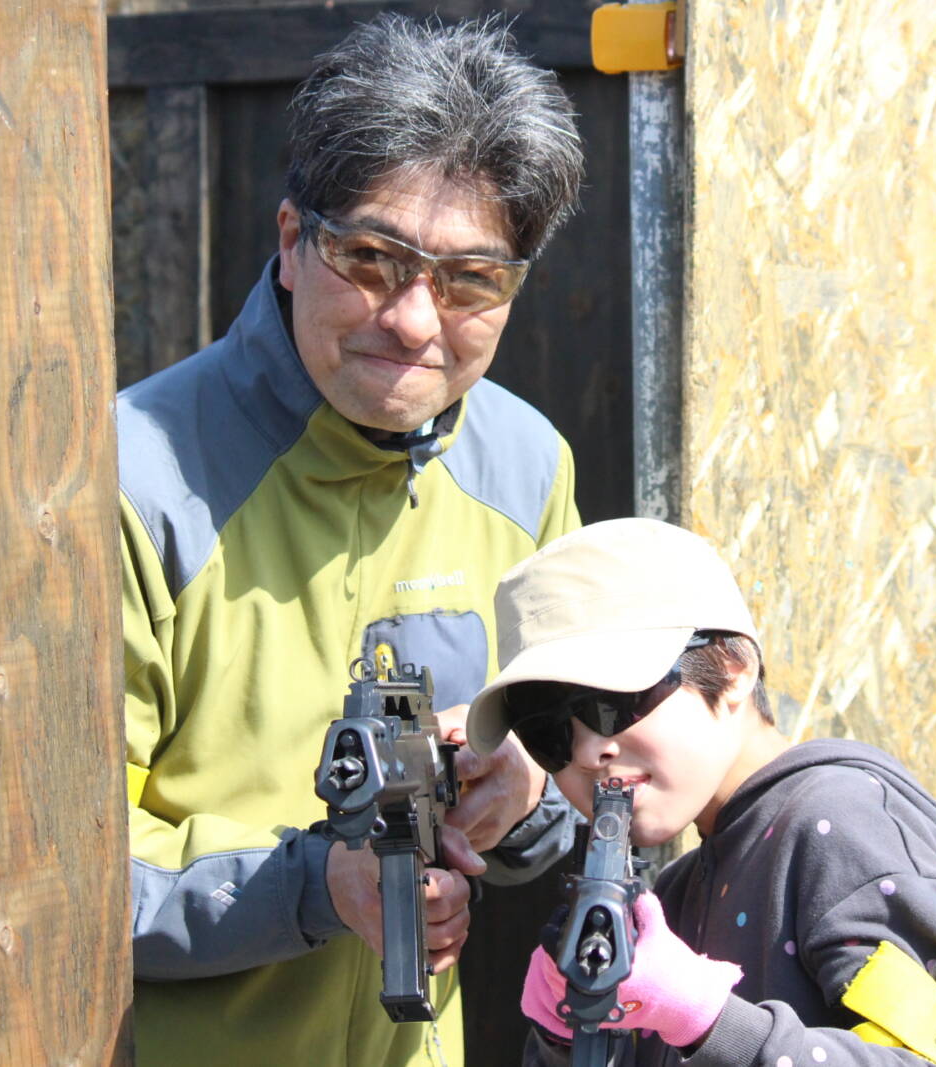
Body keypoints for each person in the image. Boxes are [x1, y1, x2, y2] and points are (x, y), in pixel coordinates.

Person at [117, 14, 587, 1065]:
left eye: (471, 278)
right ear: (292, 242)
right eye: (372, 257)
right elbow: (53, 871)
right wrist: (316, 886)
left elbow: (579, 779)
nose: (414, 319)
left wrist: (524, 798)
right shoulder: (130, 483)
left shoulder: (529, 469)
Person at [466, 519, 936, 1066]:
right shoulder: (678, 890)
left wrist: (706, 1017)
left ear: (733, 670)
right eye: (549, 734)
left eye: (610, 704)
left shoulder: (841, 824)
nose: (589, 752)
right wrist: (567, 1039)